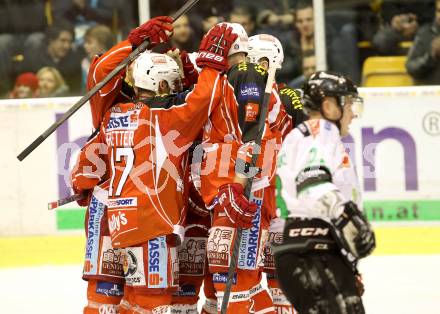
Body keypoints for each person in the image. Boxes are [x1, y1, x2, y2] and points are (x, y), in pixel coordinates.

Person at [72, 22, 250, 313]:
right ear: (164, 85)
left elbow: (100, 75)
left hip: (111, 219)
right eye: (177, 83)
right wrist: (211, 63)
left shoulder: (110, 112)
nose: (180, 88)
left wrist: (130, 45)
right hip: (151, 223)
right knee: (151, 304)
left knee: (103, 302)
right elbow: (203, 98)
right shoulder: (167, 120)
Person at [198, 23, 292, 314]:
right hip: (237, 191)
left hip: (244, 193)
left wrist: (238, 182)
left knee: (237, 278)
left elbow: (252, 141)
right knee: (222, 284)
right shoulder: (240, 83)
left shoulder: (251, 83)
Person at [274, 71, 376, 314]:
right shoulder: (322, 131)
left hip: (307, 249)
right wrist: (347, 217)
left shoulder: (303, 135)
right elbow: (312, 183)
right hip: (312, 252)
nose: (352, 113)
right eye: (348, 104)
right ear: (329, 106)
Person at [20, 20, 82, 95]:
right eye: (63, 40)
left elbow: (75, 92)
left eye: (70, 42)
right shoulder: (33, 58)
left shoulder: (74, 61)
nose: (67, 46)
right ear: (51, 40)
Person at [406, 0, 440, 85]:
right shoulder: (424, 33)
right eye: (439, 11)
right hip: (431, 93)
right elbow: (411, 68)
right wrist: (431, 56)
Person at [81, 24, 115, 90]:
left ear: (102, 44)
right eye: (85, 42)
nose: (85, 46)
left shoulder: (113, 62)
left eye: (89, 42)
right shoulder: (84, 63)